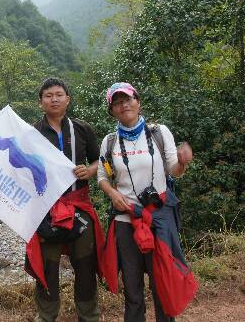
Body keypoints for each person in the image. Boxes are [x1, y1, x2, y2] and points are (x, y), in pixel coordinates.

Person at [97, 82, 197, 322]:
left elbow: (173, 169)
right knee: (132, 289)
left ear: (138, 102)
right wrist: (113, 194)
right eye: (117, 103)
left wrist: (182, 163)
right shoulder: (109, 142)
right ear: (112, 111)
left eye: (128, 99)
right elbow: (102, 177)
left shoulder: (159, 133)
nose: (124, 105)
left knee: (163, 282)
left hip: (159, 218)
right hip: (126, 220)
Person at [25, 77, 105, 322]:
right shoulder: (32, 133)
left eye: (59, 94)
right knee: (48, 268)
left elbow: (100, 160)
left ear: (68, 99)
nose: (54, 99)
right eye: (48, 95)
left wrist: (90, 171)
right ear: (40, 102)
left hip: (79, 204)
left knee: (85, 264)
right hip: (46, 211)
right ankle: (46, 316)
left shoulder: (82, 129)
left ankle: (89, 316)